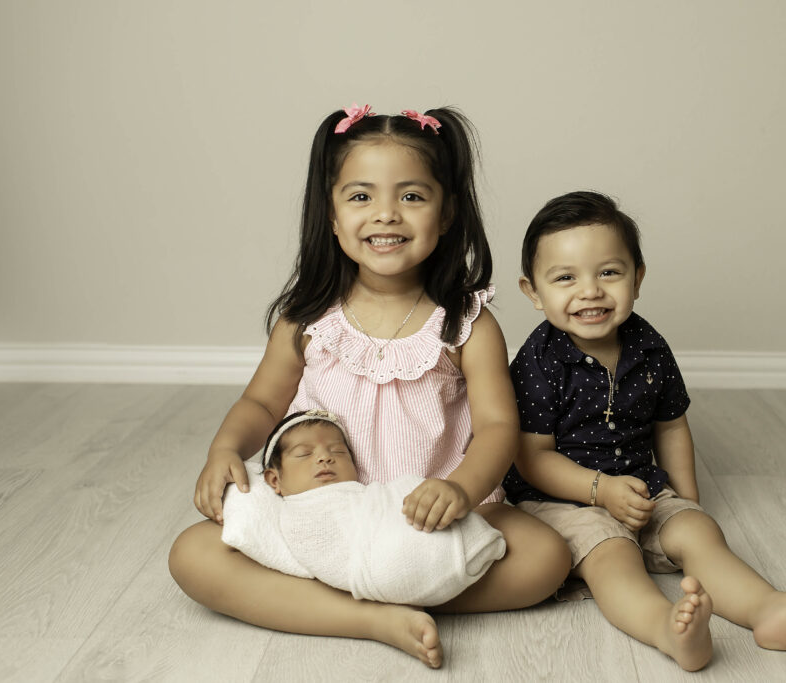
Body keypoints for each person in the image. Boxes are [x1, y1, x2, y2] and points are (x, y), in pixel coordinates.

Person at [168, 105, 570, 669]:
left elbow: (500, 427)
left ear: (447, 212)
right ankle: (374, 616)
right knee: (192, 554)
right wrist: (225, 449)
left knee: (547, 556)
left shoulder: (465, 322)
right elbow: (261, 401)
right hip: (320, 512)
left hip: (427, 515)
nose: (386, 215)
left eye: (411, 196)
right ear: (330, 215)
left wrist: (460, 489)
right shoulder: (307, 318)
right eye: (360, 197)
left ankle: (352, 592)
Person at [503, 190, 786, 671]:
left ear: (638, 277)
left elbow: (671, 426)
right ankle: (667, 630)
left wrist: (686, 502)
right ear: (533, 292)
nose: (590, 290)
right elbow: (531, 457)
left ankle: (768, 609)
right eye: (565, 278)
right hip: (560, 499)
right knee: (613, 559)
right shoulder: (538, 361)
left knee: (700, 534)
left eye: (609, 272)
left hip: (640, 486)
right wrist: (599, 490)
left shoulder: (649, 346)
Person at [219, 409, 505, 606]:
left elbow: (383, 505)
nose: (324, 458)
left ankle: (396, 595)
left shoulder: (365, 495)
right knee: (195, 552)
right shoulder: (298, 514)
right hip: (374, 569)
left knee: (543, 554)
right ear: (273, 480)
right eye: (305, 454)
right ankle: (381, 608)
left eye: (338, 452)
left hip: (410, 530)